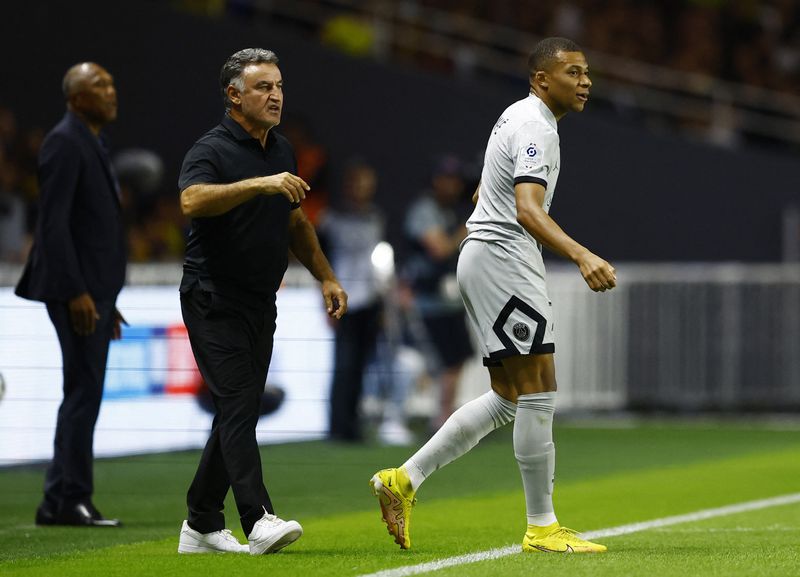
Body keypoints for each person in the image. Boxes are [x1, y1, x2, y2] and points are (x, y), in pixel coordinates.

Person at [370, 37, 616, 554]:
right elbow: (527, 209)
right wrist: (582, 254)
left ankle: (404, 479)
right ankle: (542, 526)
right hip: (503, 259)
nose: (585, 81)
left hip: (490, 256)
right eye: (573, 72)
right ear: (541, 79)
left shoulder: (519, 117)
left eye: (587, 72)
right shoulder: (533, 126)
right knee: (539, 387)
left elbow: (489, 189)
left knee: (510, 397)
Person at [176, 48, 347, 555]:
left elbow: (296, 222)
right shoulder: (210, 149)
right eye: (262, 87)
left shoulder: (283, 150)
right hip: (212, 297)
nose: (275, 96)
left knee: (240, 407)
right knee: (236, 404)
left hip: (258, 301)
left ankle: (201, 522)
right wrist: (259, 184)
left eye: (278, 86)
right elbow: (191, 200)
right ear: (234, 95)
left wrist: (326, 277)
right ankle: (258, 518)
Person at [15, 63, 126, 527]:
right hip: (75, 292)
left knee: (83, 392)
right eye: (99, 85)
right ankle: (69, 499)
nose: (111, 90)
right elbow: (53, 224)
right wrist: (78, 291)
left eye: (110, 82)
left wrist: (104, 297)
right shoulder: (65, 141)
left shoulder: (89, 140)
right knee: (83, 394)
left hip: (92, 292)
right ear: (76, 98)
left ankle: (58, 498)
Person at [402, 154, 474, 430]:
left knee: (456, 360)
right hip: (428, 302)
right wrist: (470, 226)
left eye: (457, 181)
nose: (453, 186)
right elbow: (440, 248)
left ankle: (445, 416)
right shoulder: (424, 210)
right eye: (448, 180)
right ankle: (440, 420)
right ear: (436, 181)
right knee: (441, 362)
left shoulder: (447, 211)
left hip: (448, 301)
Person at [316, 158, 384, 443]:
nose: (362, 189)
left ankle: (353, 424)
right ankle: (337, 426)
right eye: (357, 183)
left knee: (361, 366)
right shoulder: (331, 219)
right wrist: (324, 297)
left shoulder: (376, 217)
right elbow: (319, 260)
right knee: (344, 364)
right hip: (343, 298)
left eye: (367, 184)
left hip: (369, 298)